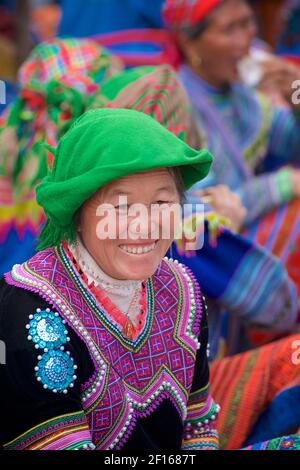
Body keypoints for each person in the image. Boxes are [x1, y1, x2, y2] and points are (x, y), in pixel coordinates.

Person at [0, 107, 220, 451]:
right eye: (120, 207)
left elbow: (198, 424)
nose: (144, 225)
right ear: (77, 214)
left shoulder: (182, 290)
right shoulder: (34, 309)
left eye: (162, 201)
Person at [162, 0, 300, 296]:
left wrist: (296, 93)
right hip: (213, 256)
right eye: (229, 29)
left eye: (247, 23)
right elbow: (202, 206)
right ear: (189, 42)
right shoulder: (176, 106)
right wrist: (284, 182)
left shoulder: (244, 98)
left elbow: (292, 144)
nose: (246, 39)